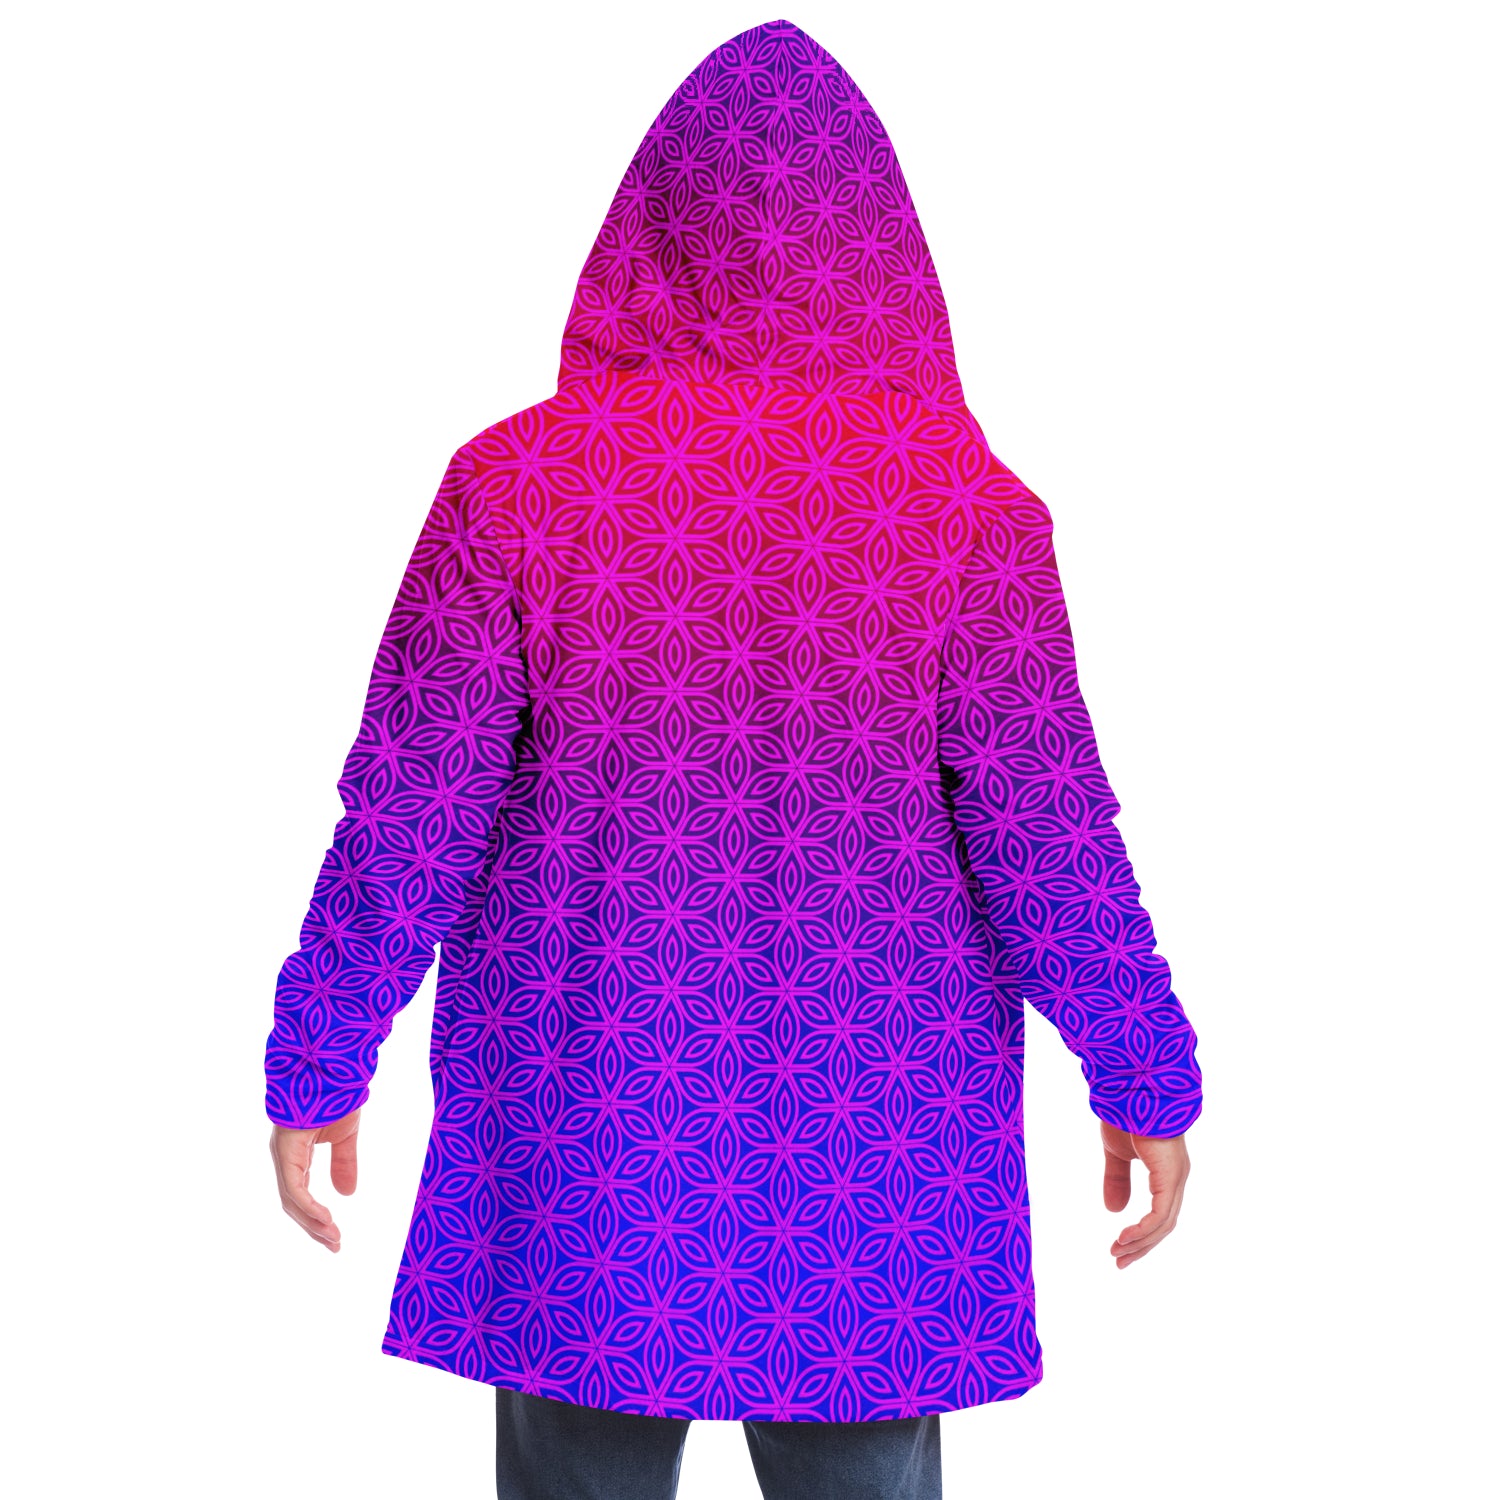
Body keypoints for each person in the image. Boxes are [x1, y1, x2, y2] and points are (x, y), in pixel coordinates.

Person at [266, 18, 1202, 1500]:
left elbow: (408, 812)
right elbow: (1051, 838)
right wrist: (1142, 1071)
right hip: (876, 1150)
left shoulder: (515, 487)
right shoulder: (970, 510)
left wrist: (320, 1052)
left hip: (591, 1127)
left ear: (643, 226)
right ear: (884, 240)